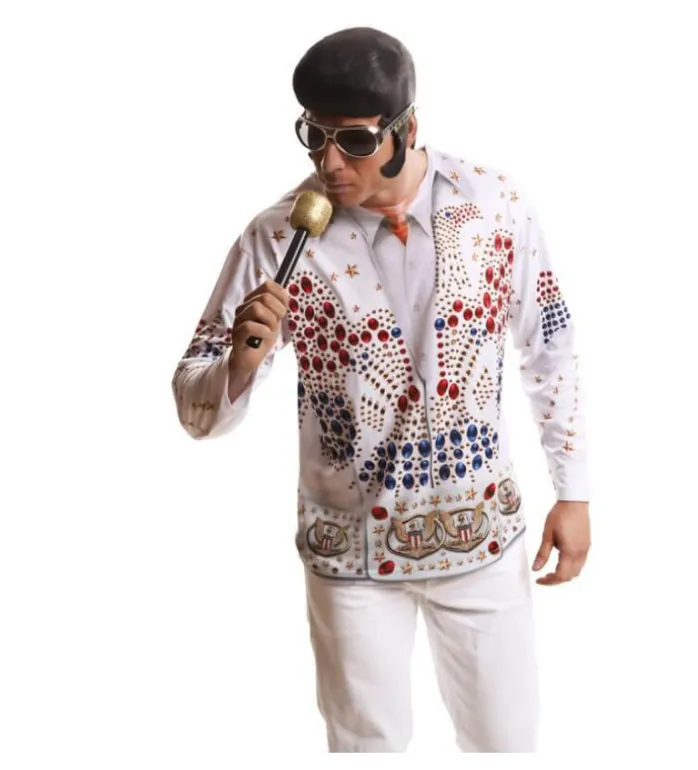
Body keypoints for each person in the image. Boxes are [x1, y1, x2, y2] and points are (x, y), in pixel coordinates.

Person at [171, 26, 591, 753]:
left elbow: (549, 347)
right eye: (314, 136)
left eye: (356, 141)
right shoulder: (276, 239)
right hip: (349, 554)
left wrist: (574, 490)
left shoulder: (494, 205)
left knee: (506, 742)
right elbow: (194, 407)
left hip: (482, 538)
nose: (329, 162)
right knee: (365, 748)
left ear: (408, 128)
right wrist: (239, 364)